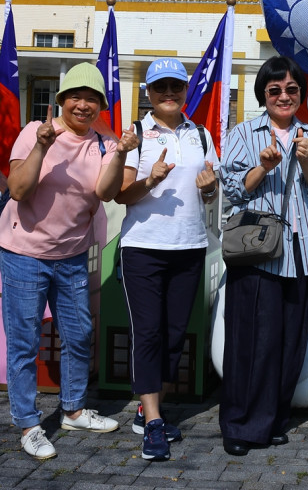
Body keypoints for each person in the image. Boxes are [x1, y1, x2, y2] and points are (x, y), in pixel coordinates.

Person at [0, 62, 140, 460]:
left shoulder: (103, 144)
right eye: (75, 96)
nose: (83, 105)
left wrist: (120, 154)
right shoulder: (35, 133)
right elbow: (18, 190)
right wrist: (41, 146)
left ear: (99, 107)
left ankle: (73, 408)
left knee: (78, 334)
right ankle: (28, 423)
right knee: (24, 343)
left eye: (92, 99)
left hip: (72, 254)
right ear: (61, 100)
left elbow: (107, 193)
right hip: (24, 253)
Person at [219, 55, 308, 456]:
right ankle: (239, 424)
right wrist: (262, 168)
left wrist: (304, 159)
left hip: (300, 252)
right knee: (251, 341)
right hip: (258, 250)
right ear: (263, 95)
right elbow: (233, 189)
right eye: (274, 90)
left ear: (300, 94)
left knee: (289, 342)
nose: (283, 96)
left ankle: (273, 419)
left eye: (291, 90)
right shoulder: (243, 133)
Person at [115, 58, 219, 461]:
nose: (170, 94)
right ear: (149, 94)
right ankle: (154, 422)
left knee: (175, 334)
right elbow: (122, 194)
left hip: (189, 246)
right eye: (161, 88)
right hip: (143, 247)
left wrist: (209, 190)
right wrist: (152, 179)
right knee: (149, 333)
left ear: (185, 90)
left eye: (176, 87)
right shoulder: (138, 134)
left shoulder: (202, 136)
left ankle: (147, 406)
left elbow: (207, 194)